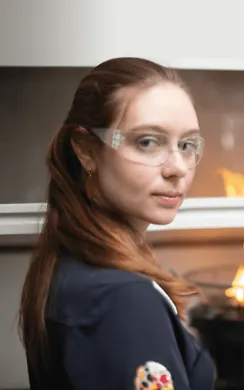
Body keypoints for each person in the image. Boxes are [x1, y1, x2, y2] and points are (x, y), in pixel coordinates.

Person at [17, 57, 215, 390]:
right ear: (86, 150)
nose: (177, 167)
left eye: (187, 145)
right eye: (148, 142)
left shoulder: (72, 262)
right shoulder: (122, 300)